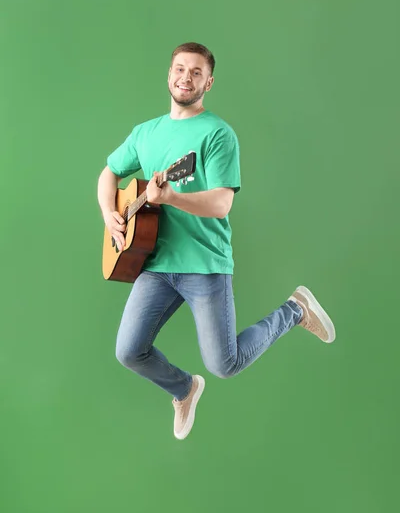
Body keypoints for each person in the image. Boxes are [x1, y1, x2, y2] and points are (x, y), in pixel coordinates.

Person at [97, 42, 336, 440]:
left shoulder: (218, 134)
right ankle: (184, 388)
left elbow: (222, 203)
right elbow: (109, 173)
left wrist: (171, 196)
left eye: (195, 72)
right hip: (155, 264)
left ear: (208, 82)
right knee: (128, 351)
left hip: (204, 263)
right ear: (169, 74)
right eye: (179, 69)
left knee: (225, 364)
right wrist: (110, 212)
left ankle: (295, 309)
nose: (185, 78)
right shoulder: (145, 133)